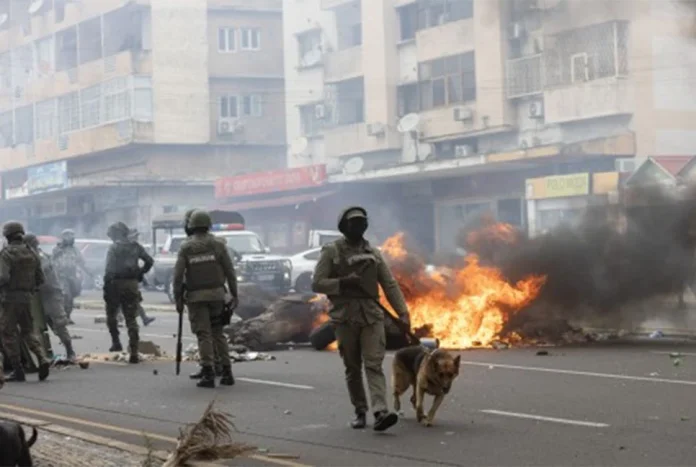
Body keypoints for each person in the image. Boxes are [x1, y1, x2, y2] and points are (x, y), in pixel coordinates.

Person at [312, 206, 410, 431]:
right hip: (344, 317)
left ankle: (380, 412)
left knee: (374, 364)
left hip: (372, 316)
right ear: (344, 226)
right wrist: (344, 282)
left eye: (362, 222)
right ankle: (360, 410)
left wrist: (402, 312)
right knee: (352, 367)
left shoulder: (374, 253)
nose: (359, 226)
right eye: (354, 223)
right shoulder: (332, 252)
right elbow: (317, 283)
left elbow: (389, 284)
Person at [173, 210, 237, 388]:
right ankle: (227, 372)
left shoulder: (186, 248)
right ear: (208, 225)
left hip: (196, 298)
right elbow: (230, 271)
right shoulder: (218, 245)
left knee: (204, 335)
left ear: (191, 226)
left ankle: (208, 372)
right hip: (217, 296)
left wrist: (178, 299)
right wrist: (234, 294)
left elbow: (178, 277)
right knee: (218, 333)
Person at [0, 221, 50, 382]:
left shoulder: (6, 254)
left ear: (7, 236)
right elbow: (40, 279)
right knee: (28, 331)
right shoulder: (31, 253)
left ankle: (17, 369)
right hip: (27, 298)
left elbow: (3, 277)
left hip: (9, 299)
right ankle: (42, 358)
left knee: (8, 333)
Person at [103, 222, 154, 362]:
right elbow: (149, 261)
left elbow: (109, 269)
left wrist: (106, 287)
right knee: (131, 319)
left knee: (111, 315)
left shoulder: (113, 248)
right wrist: (140, 273)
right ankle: (134, 352)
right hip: (131, 285)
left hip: (115, 285)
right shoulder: (135, 247)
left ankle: (116, 341)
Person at [24, 233, 77, 362]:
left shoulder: (41, 257)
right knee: (39, 326)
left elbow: (40, 274)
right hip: (38, 295)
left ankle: (70, 351)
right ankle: (46, 353)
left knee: (58, 324)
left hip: (51, 293)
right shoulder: (31, 257)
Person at [116, 229, 156, 327]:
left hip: (130, 278)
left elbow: (149, 261)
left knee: (133, 299)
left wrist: (141, 272)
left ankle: (142, 318)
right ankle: (125, 318)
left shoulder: (136, 247)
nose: (136, 238)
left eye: (136, 236)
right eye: (134, 236)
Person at [52, 229, 88, 324]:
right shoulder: (58, 249)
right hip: (61, 276)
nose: (70, 238)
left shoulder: (75, 250)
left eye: (72, 236)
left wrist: (88, 272)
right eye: (68, 236)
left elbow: (81, 261)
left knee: (72, 296)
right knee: (66, 296)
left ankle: (68, 315)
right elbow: (52, 261)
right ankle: (63, 316)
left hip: (72, 275)